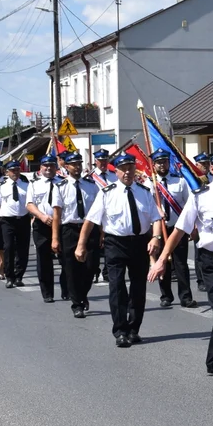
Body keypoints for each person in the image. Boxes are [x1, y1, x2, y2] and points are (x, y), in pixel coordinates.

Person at [149, 148, 213, 385]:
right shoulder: (199, 196)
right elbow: (180, 230)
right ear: (212, 169)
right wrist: (163, 259)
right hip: (211, 260)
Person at [76, 153, 164, 348]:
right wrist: (81, 244)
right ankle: (120, 331)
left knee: (138, 288)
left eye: (131, 168)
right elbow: (90, 220)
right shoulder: (107, 193)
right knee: (117, 287)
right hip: (115, 243)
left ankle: (133, 329)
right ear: (116, 171)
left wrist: (156, 239)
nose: (127, 172)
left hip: (140, 242)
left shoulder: (143, 191)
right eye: (123, 169)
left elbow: (156, 218)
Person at [52, 151, 100, 318]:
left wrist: (101, 233)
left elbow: (99, 211)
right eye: (74, 164)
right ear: (67, 167)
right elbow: (57, 214)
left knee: (91, 267)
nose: (77, 167)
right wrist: (55, 238)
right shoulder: (60, 187)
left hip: (90, 229)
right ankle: (76, 303)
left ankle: (82, 294)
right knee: (71, 269)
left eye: (79, 164)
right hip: (69, 230)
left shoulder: (91, 185)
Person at [151, 149, 196, 308]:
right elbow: (147, 205)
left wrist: (191, 226)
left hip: (177, 229)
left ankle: (186, 297)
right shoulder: (150, 183)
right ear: (154, 164)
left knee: (181, 263)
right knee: (163, 263)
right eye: (159, 162)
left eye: (164, 162)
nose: (162, 165)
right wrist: (157, 209)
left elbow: (189, 204)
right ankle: (166, 296)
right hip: (159, 229)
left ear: (168, 163)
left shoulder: (180, 181)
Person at [27, 155, 64, 303]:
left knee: (65, 259)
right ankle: (47, 292)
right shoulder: (34, 184)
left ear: (56, 167)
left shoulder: (62, 183)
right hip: (42, 224)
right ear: (40, 168)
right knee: (44, 260)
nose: (48, 168)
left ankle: (66, 288)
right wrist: (42, 216)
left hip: (60, 224)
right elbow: (29, 204)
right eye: (45, 166)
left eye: (51, 166)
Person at [0, 161, 31, 288]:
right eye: (13, 170)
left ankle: (19, 276)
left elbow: (31, 204)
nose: (15, 173)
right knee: (8, 247)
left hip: (23, 220)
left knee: (23, 249)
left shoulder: (26, 185)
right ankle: (9, 276)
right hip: (7, 221)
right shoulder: (2, 186)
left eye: (17, 170)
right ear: (7, 172)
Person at [90, 148, 117, 283]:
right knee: (95, 245)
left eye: (105, 160)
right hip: (96, 214)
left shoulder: (114, 176)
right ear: (96, 162)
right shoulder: (89, 177)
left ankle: (107, 271)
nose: (103, 163)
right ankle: (95, 270)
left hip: (112, 213)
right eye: (100, 161)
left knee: (109, 243)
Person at [192, 151, 212, 293]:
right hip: (198, 219)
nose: (204, 166)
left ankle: (211, 278)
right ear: (196, 164)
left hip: (212, 219)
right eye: (202, 164)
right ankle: (201, 280)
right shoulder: (193, 178)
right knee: (199, 252)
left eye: (206, 163)